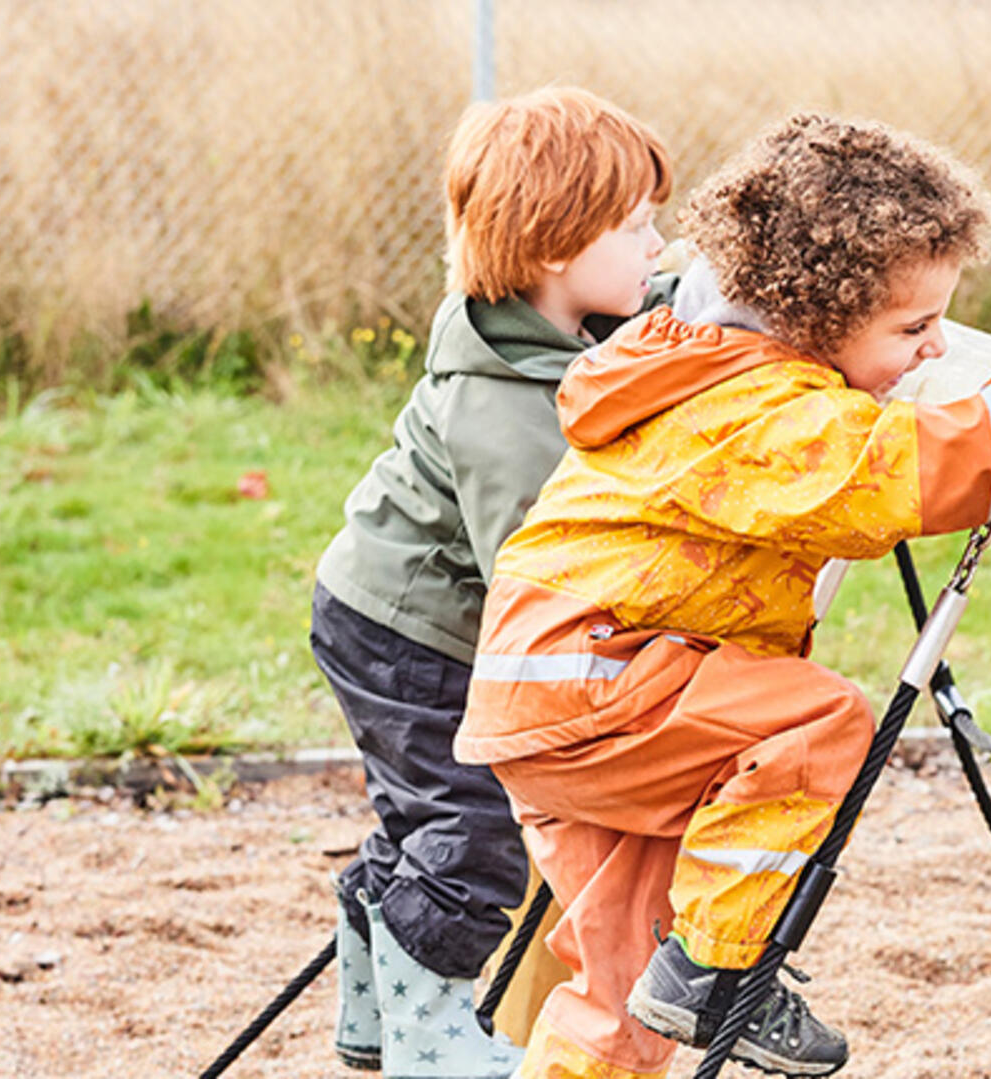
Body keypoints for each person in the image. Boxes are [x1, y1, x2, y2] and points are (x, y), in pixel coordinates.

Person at [454, 113, 991, 1079]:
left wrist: (900, 360)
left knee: (623, 990)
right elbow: (885, 475)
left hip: (546, 696)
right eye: (913, 328)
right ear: (812, 318)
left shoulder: (696, 359)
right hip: (600, 676)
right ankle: (719, 971)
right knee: (816, 725)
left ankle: (671, 989)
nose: (934, 346)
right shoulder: (754, 411)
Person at [309, 85, 676, 1077]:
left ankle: (375, 1010)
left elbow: (665, 307)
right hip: (409, 635)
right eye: (637, 228)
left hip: (387, 609)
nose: (658, 247)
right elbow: (547, 576)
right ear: (556, 248)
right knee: (469, 837)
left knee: (422, 820)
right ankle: (432, 1045)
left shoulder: (547, 323)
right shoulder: (503, 409)